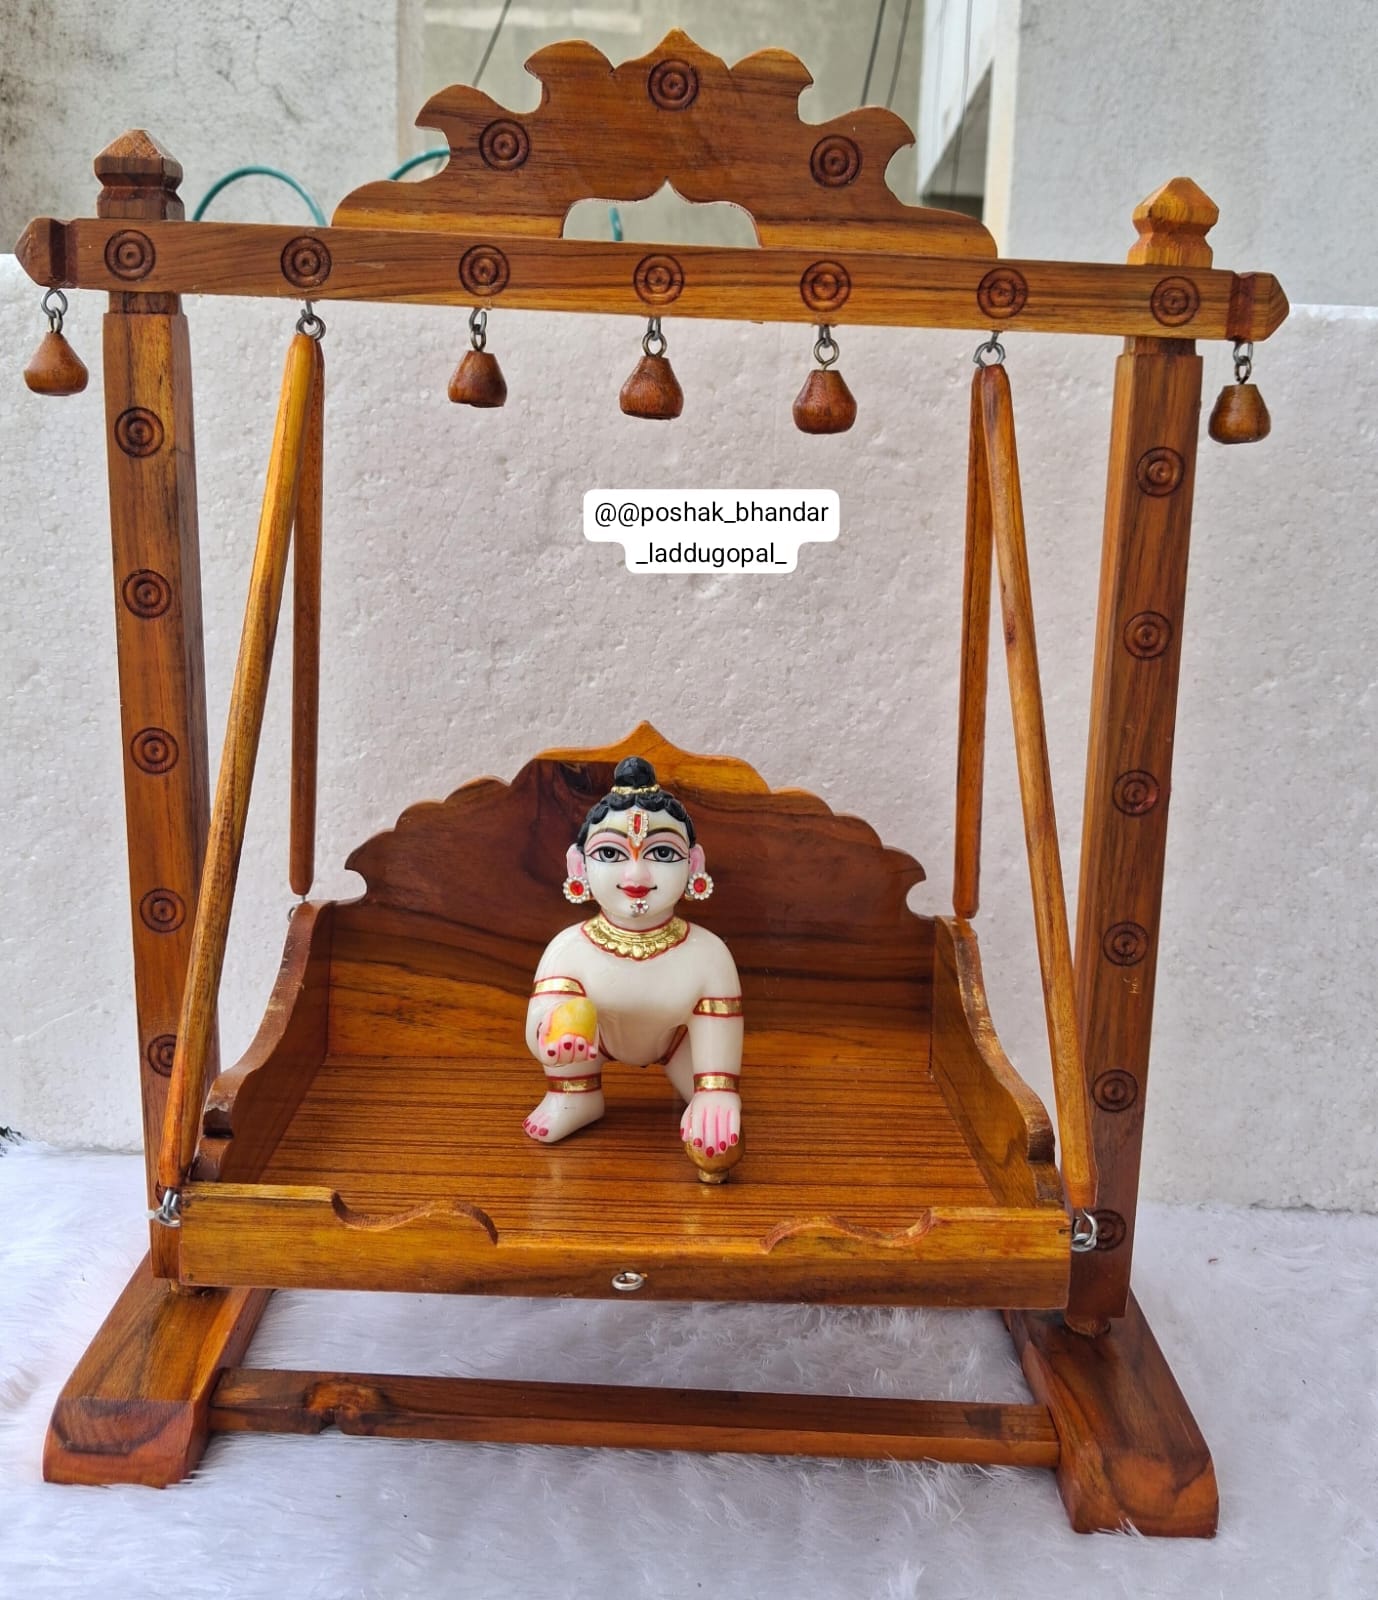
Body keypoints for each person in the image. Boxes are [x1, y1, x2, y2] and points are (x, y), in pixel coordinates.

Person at [523, 756, 744, 1177]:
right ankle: (575, 1096)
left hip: (676, 1044)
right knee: (571, 1019)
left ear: (694, 864)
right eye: (610, 853)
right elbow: (539, 1023)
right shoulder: (570, 949)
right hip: (598, 1042)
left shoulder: (708, 953)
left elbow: (718, 1027)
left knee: (710, 1091)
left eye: (662, 852)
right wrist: (555, 1032)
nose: (637, 874)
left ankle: (706, 1094)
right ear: (578, 866)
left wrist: (716, 1090)